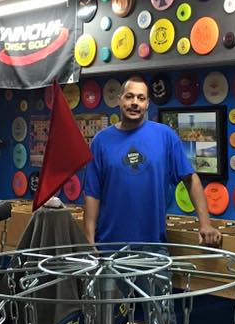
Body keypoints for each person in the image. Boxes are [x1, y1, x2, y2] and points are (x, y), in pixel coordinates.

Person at [83, 75, 221, 248]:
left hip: (153, 247)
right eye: (129, 96)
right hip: (109, 247)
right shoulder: (101, 141)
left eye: (141, 98)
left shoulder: (166, 136)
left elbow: (190, 179)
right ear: (119, 100)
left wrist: (205, 224)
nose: (135, 102)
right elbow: (92, 194)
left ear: (147, 104)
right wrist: (88, 241)